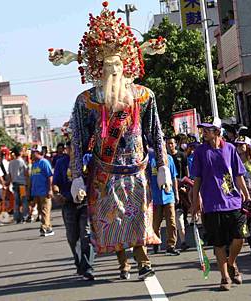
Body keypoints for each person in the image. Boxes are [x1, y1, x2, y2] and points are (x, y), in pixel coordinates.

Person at [50, 2, 171, 281]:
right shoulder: (87, 101)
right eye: (107, 65)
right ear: (98, 67)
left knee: (140, 216)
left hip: (137, 170)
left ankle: (142, 260)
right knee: (113, 219)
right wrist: (77, 175)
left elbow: (156, 132)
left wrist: (162, 164)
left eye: (117, 63)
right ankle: (123, 262)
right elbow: (78, 140)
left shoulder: (143, 96)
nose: (113, 69)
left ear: (126, 63)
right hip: (106, 172)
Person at [191, 119, 251, 291]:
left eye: (207, 130)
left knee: (240, 236)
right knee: (218, 243)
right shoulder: (200, 152)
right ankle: (225, 277)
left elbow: (239, 175)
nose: (204, 133)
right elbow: (197, 179)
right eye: (202, 129)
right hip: (211, 204)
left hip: (233, 201)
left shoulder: (230, 149)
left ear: (217, 131)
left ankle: (231, 262)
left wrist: (247, 195)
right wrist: (195, 201)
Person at [53, 142, 94, 280]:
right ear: (67, 149)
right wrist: (57, 194)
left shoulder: (87, 159)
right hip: (68, 203)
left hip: (85, 203)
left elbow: (94, 179)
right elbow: (56, 183)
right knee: (72, 237)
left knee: (86, 235)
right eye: (71, 148)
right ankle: (79, 263)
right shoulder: (61, 163)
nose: (74, 151)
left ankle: (87, 267)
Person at [148, 149, 180, 256]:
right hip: (155, 197)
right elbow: (146, 178)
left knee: (171, 222)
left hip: (168, 195)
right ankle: (156, 242)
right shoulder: (150, 159)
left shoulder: (169, 159)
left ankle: (171, 245)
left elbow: (174, 177)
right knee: (156, 223)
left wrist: (176, 193)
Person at [30, 148, 54, 237]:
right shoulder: (34, 164)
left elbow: (49, 176)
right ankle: (48, 228)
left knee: (45, 210)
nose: (31, 154)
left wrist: (50, 189)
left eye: (33, 152)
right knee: (41, 211)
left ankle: (44, 228)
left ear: (38, 152)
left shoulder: (44, 162)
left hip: (44, 191)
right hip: (36, 192)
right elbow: (32, 179)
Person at [8, 147, 29, 224]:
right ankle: (24, 216)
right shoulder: (21, 162)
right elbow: (26, 173)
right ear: (20, 152)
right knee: (23, 200)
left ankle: (17, 217)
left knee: (16, 201)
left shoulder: (11, 163)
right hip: (22, 184)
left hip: (14, 183)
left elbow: (9, 175)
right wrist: (28, 183)